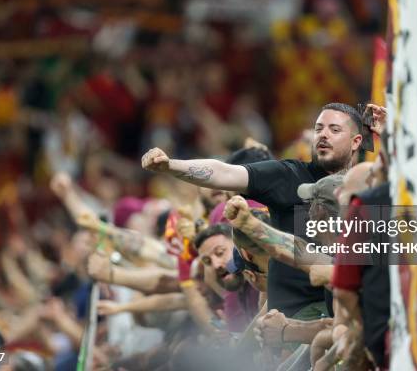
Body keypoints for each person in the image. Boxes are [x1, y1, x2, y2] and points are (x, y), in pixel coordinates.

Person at [142, 102, 387, 318]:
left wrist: (390, 138)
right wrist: (171, 166)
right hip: (294, 315)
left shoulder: (369, 182)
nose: (323, 135)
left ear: (356, 141)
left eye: (334, 130)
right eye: (319, 128)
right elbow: (224, 172)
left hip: (348, 313)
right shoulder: (288, 175)